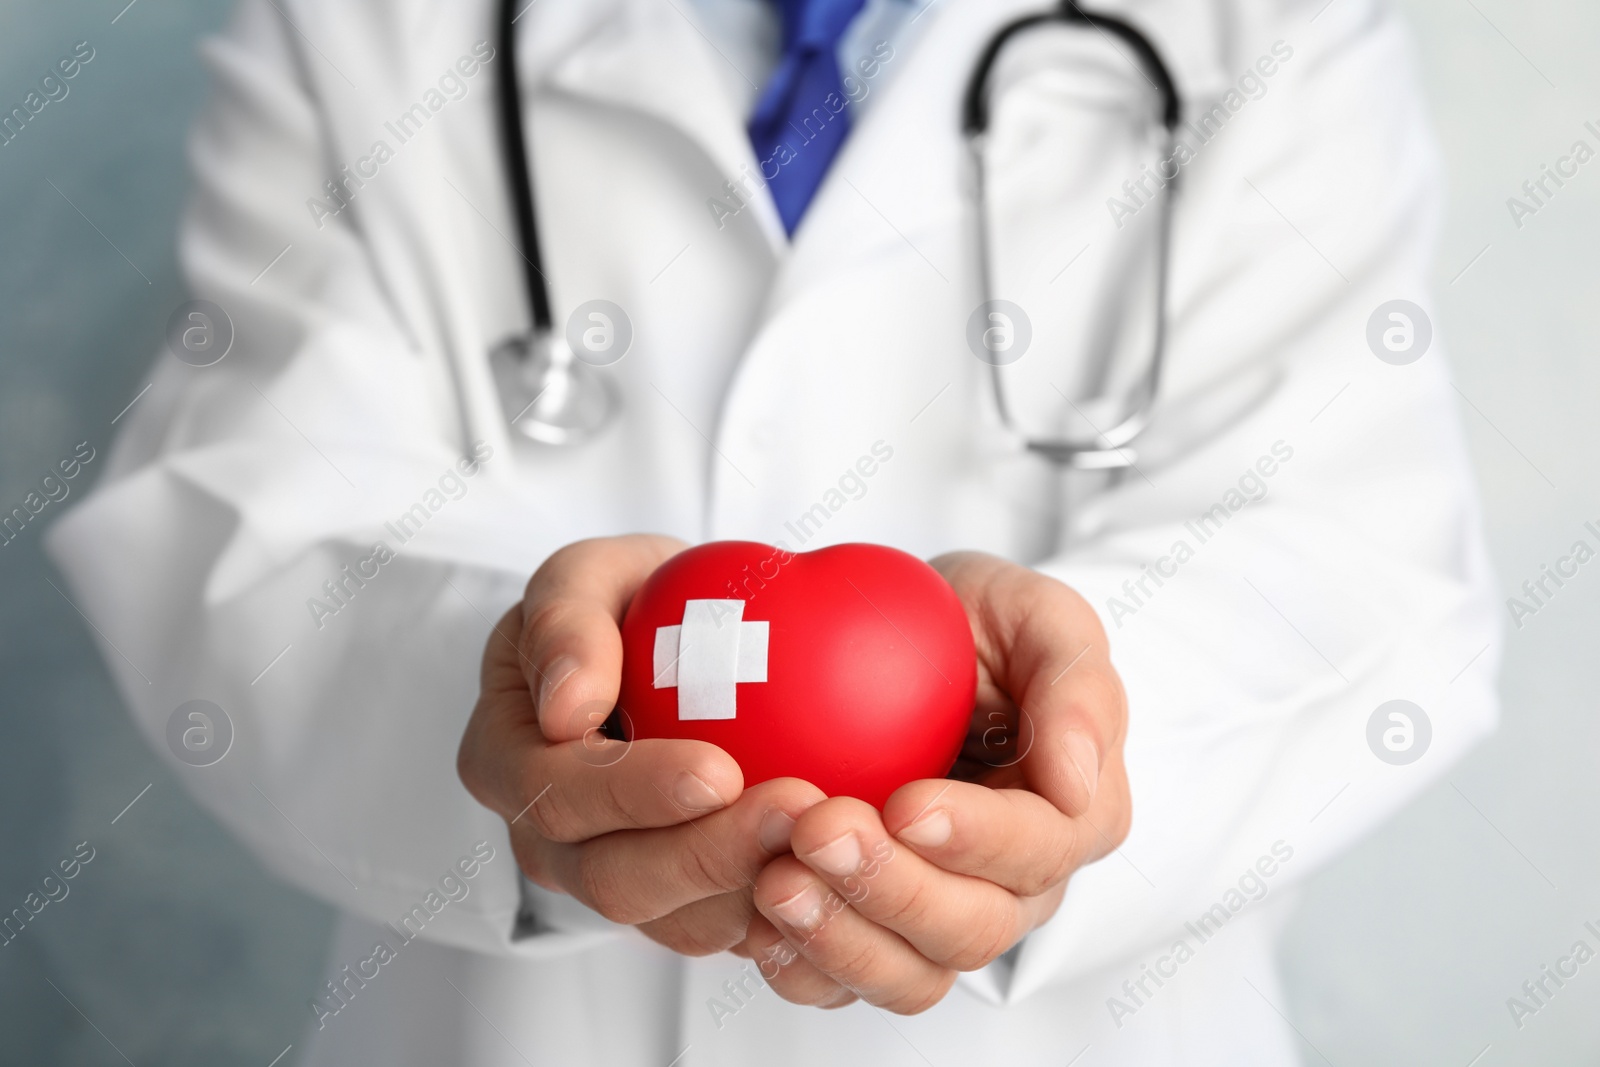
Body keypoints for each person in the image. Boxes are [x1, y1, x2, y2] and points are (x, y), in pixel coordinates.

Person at [47, 0, 1501, 1063]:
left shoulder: (1273, 26)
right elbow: (230, 516)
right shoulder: (365, 26)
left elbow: (1360, 547)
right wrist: (520, 683)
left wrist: (1076, 742)